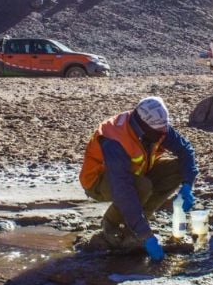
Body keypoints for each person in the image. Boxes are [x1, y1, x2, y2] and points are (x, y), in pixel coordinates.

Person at [80, 96, 199, 262]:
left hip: (137, 173)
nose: (162, 135)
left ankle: (134, 228)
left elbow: (186, 150)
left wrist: (188, 186)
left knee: (178, 169)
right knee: (142, 187)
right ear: (142, 126)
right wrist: (146, 236)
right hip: (97, 181)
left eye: (164, 130)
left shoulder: (157, 127)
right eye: (158, 132)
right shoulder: (115, 139)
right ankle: (111, 224)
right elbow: (123, 191)